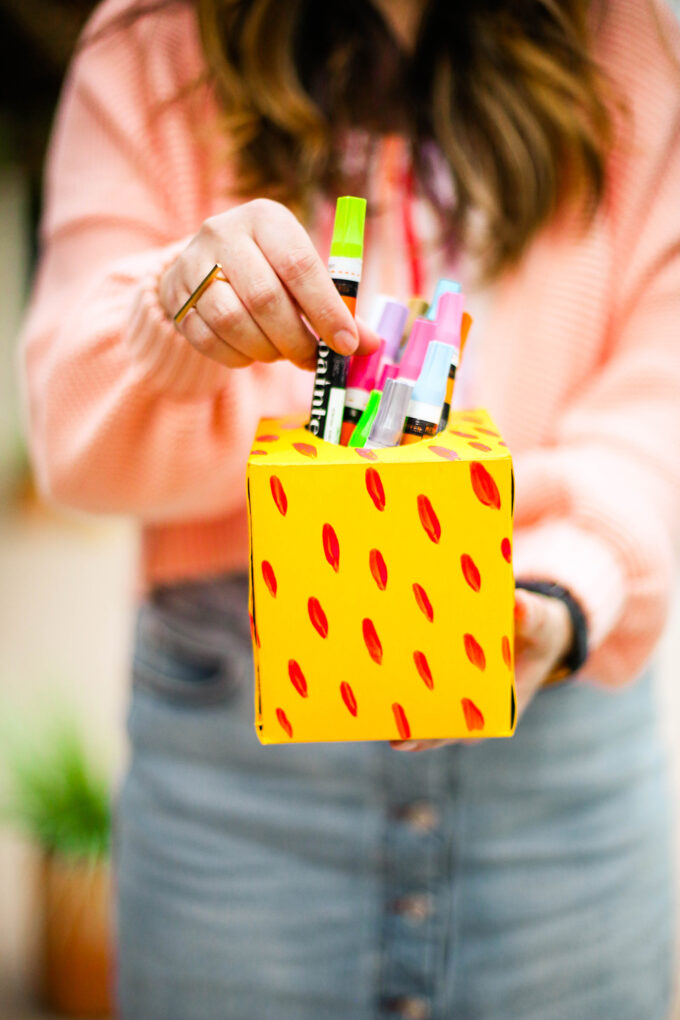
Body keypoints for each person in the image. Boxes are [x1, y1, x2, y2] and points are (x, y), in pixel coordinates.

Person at [18, 0, 680, 1016]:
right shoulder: (152, 42)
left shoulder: (635, 39)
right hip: (237, 756)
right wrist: (169, 318)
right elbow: (71, 443)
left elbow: (659, 398)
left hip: (554, 730)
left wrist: (567, 581)